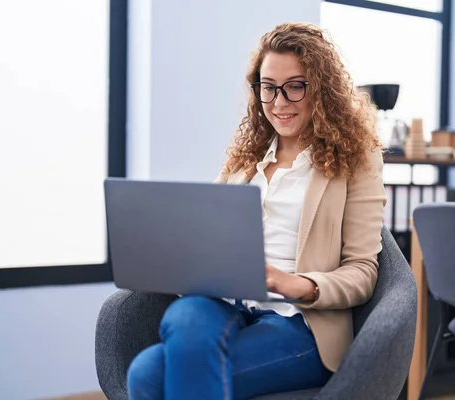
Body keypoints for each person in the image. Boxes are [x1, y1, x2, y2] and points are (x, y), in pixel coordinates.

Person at [126, 22, 387, 400]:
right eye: (268, 88)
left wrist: (293, 283)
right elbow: (205, 233)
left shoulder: (356, 160)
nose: (279, 103)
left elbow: (363, 272)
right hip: (224, 304)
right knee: (176, 329)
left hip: (299, 323)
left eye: (295, 86)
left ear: (322, 90)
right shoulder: (246, 157)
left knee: (150, 378)